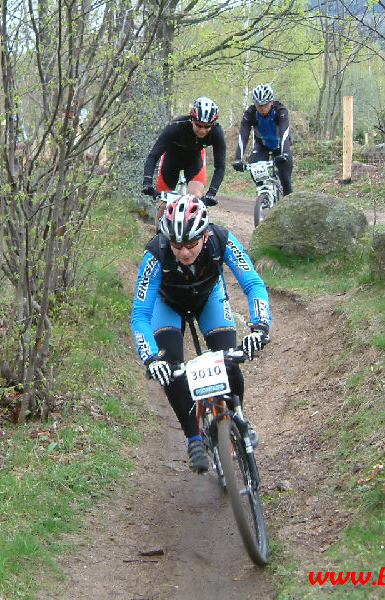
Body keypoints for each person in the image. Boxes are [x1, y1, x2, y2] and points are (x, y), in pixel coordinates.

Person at [131, 195, 271, 472]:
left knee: (228, 362)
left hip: (209, 298)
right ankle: (194, 436)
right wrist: (150, 358)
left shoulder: (222, 239)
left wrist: (260, 326)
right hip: (167, 304)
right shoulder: (155, 254)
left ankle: (237, 417)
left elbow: (253, 283)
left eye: (192, 244)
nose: (184, 253)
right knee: (169, 367)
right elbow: (141, 314)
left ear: (205, 235)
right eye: (177, 245)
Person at [141, 97, 227, 218]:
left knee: (195, 202)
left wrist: (211, 193)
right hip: (171, 160)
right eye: (198, 125)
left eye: (207, 126)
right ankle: (159, 235)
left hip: (194, 160)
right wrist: (147, 181)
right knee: (164, 207)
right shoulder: (176, 126)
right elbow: (153, 155)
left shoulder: (217, 132)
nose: (202, 130)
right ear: (192, 119)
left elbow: (220, 166)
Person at [232, 83, 293, 195]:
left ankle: (289, 208)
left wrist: (285, 153)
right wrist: (238, 159)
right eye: (259, 105)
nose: (262, 108)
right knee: (254, 167)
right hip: (262, 146)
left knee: (286, 181)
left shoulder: (280, 110)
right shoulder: (250, 113)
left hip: (280, 146)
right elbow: (243, 135)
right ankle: (264, 195)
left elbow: (285, 133)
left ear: (271, 102)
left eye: (265, 104)